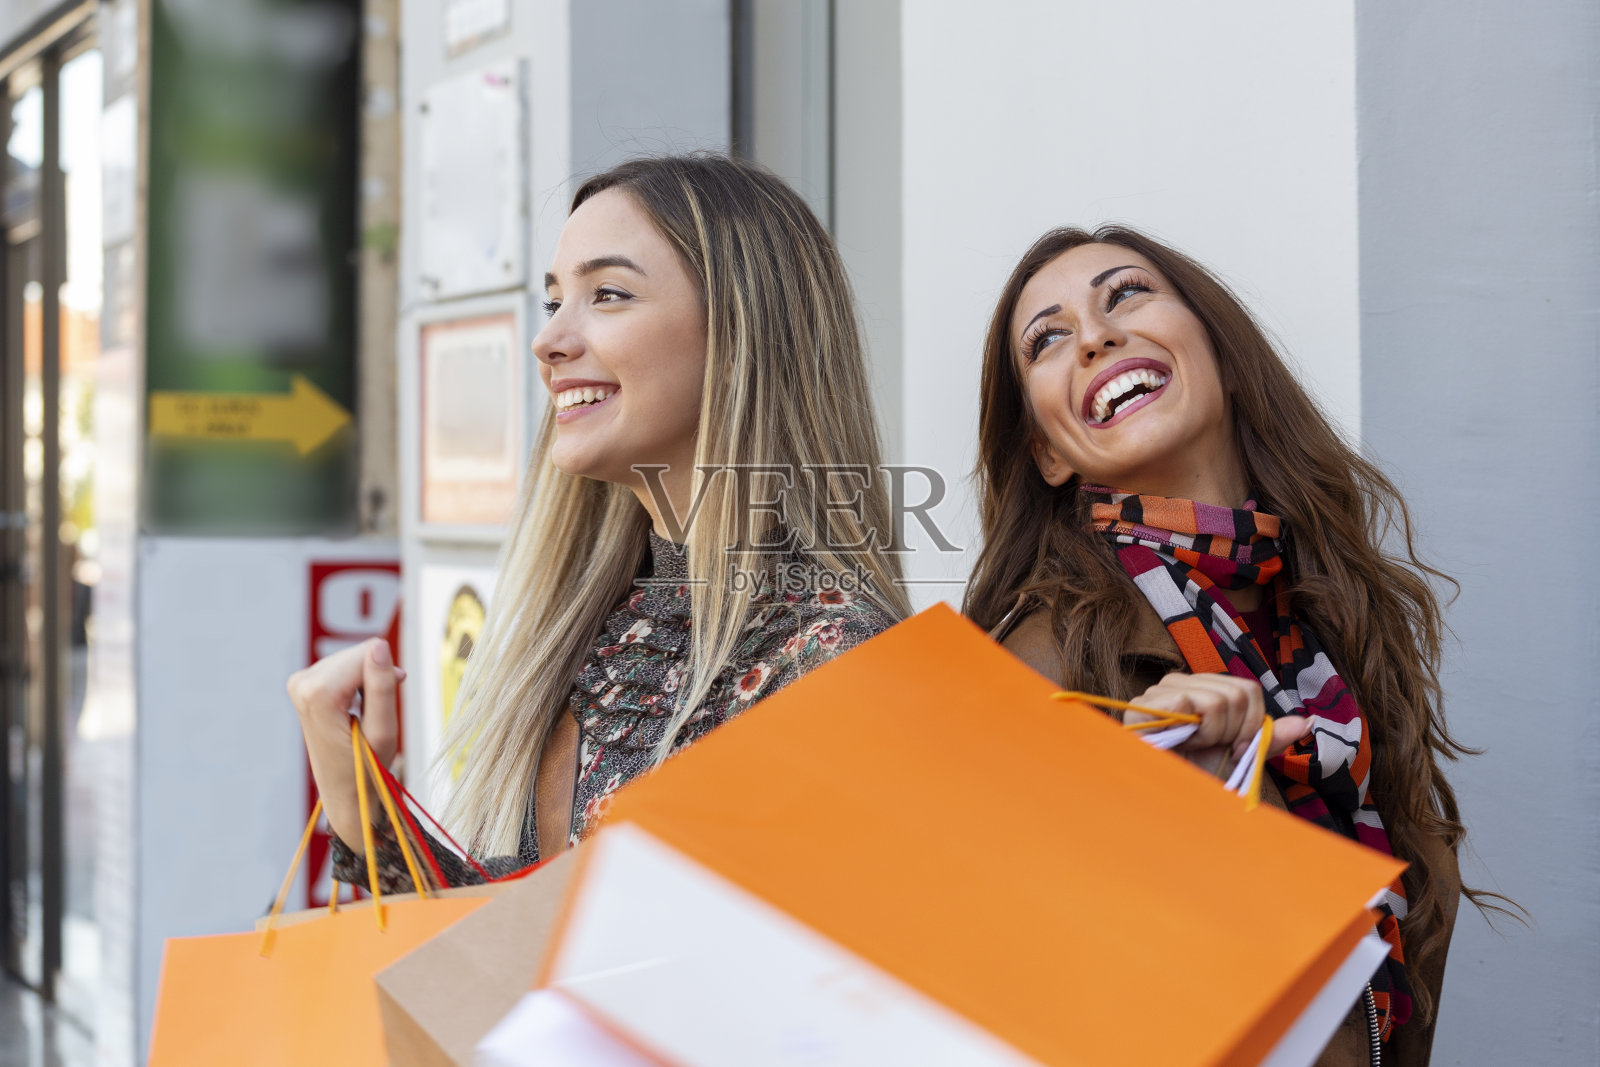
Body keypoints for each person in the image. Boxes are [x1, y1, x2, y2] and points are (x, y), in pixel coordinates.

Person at [287, 154, 910, 891]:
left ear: (745, 334)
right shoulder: (592, 620)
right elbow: (513, 965)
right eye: (554, 301)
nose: (549, 341)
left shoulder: (830, 653)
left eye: (607, 295)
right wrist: (362, 803)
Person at [964, 225, 1482, 1065]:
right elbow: (1004, 973)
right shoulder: (1044, 662)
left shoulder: (1339, 630)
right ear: (1049, 452)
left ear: (1223, 353)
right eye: (1048, 338)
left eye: (1125, 293)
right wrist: (1145, 802)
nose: (1095, 335)